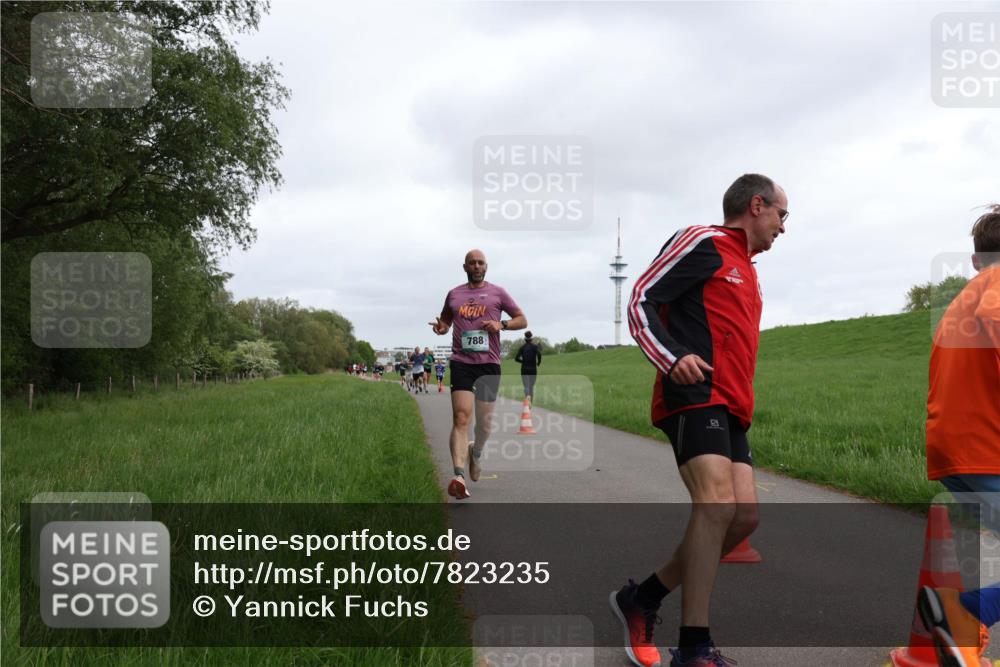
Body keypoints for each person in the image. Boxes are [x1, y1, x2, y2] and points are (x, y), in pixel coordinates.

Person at [611, 174, 787, 667]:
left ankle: (642, 596)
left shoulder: (748, 271)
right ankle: (694, 649)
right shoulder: (704, 241)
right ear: (757, 205)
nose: (783, 227)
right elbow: (640, 297)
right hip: (691, 393)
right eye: (781, 216)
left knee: (742, 518)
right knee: (715, 505)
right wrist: (670, 359)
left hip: (731, 405)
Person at [919, 204, 1000, 667]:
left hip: (954, 453)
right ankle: (963, 614)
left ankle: (963, 625)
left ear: (974, 259)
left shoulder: (961, 301)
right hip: (988, 451)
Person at [429, 249, 526, 500]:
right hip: (461, 362)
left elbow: (522, 319)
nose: (476, 266)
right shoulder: (454, 294)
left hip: (488, 364)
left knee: (484, 424)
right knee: (461, 417)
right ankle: (458, 475)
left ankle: (477, 452)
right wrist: (441, 328)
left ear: (486, 267)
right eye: (472, 262)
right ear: (465, 267)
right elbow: (446, 321)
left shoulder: (498, 293)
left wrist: (501, 324)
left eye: (480, 262)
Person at [514, 331, 542, 401]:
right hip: (533, 369)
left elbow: (516, 358)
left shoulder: (522, 348)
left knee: (526, 386)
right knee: (531, 386)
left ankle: (527, 399)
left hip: (524, 369)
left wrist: (523, 361)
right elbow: (539, 354)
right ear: (531, 339)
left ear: (525, 339)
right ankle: (530, 405)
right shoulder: (535, 347)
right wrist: (538, 362)